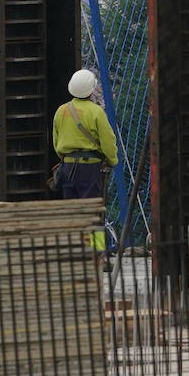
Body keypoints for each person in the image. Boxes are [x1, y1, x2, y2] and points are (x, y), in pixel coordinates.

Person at [51, 69, 118, 252]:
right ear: (91, 89)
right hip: (90, 169)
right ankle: (96, 253)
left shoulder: (61, 111)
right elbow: (108, 141)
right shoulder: (96, 112)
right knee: (94, 212)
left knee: (72, 211)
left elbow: (57, 142)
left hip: (67, 166)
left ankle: (74, 252)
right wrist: (112, 160)